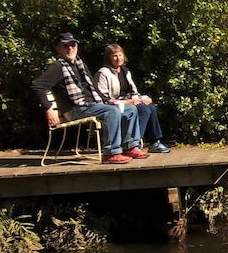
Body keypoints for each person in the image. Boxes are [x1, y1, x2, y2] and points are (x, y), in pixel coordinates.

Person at [31, 32, 149, 164]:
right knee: (111, 111)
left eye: (73, 44)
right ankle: (111, 153)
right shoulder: (57, 67)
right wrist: (49, 108)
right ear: (58, 49)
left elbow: (94, 88)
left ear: (76, 46)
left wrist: (111, 101)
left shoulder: (79, 64)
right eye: (65, 46)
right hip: (75, 108)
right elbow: (37, 86)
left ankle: (130, 147)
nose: (70, 48)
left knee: (130, 109)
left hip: (91, 104)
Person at [95, 44, 171, 153]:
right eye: (114, 56)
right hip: (115, 105)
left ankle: (155, 142)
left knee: (150, 107)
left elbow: (133, 92)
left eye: (120, 55)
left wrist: (142, 98)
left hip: (130, 102)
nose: (118, 58)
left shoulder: (125, 72)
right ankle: (132, 143)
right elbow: (103, 98)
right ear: (109, 58)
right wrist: (128, 102)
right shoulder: (103, 73)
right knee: (144, 110)